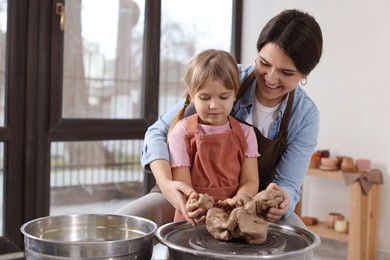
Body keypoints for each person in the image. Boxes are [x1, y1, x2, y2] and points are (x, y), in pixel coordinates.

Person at [116, 9, 323, 228]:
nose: (270, 78)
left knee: (301, 243)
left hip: (249, 203)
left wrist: (280, 201)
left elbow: (288, 183)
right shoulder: (225, 78)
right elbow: (157, 132)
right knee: (123, 224)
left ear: (304, 74)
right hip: (188, 196)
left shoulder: (305, 115)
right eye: (264, 63)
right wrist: (167, 185)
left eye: (286, 73)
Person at [167, 49, 260, 224]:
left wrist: (238, 200)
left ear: (234, 94)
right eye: (205, 97)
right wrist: (194, 204)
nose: (214, 105)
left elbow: (250, 180)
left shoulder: (246, 134)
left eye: (223, 97)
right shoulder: (181, 132)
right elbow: (183, 183)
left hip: (233, 215)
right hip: (193, 215)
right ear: (192, 95)